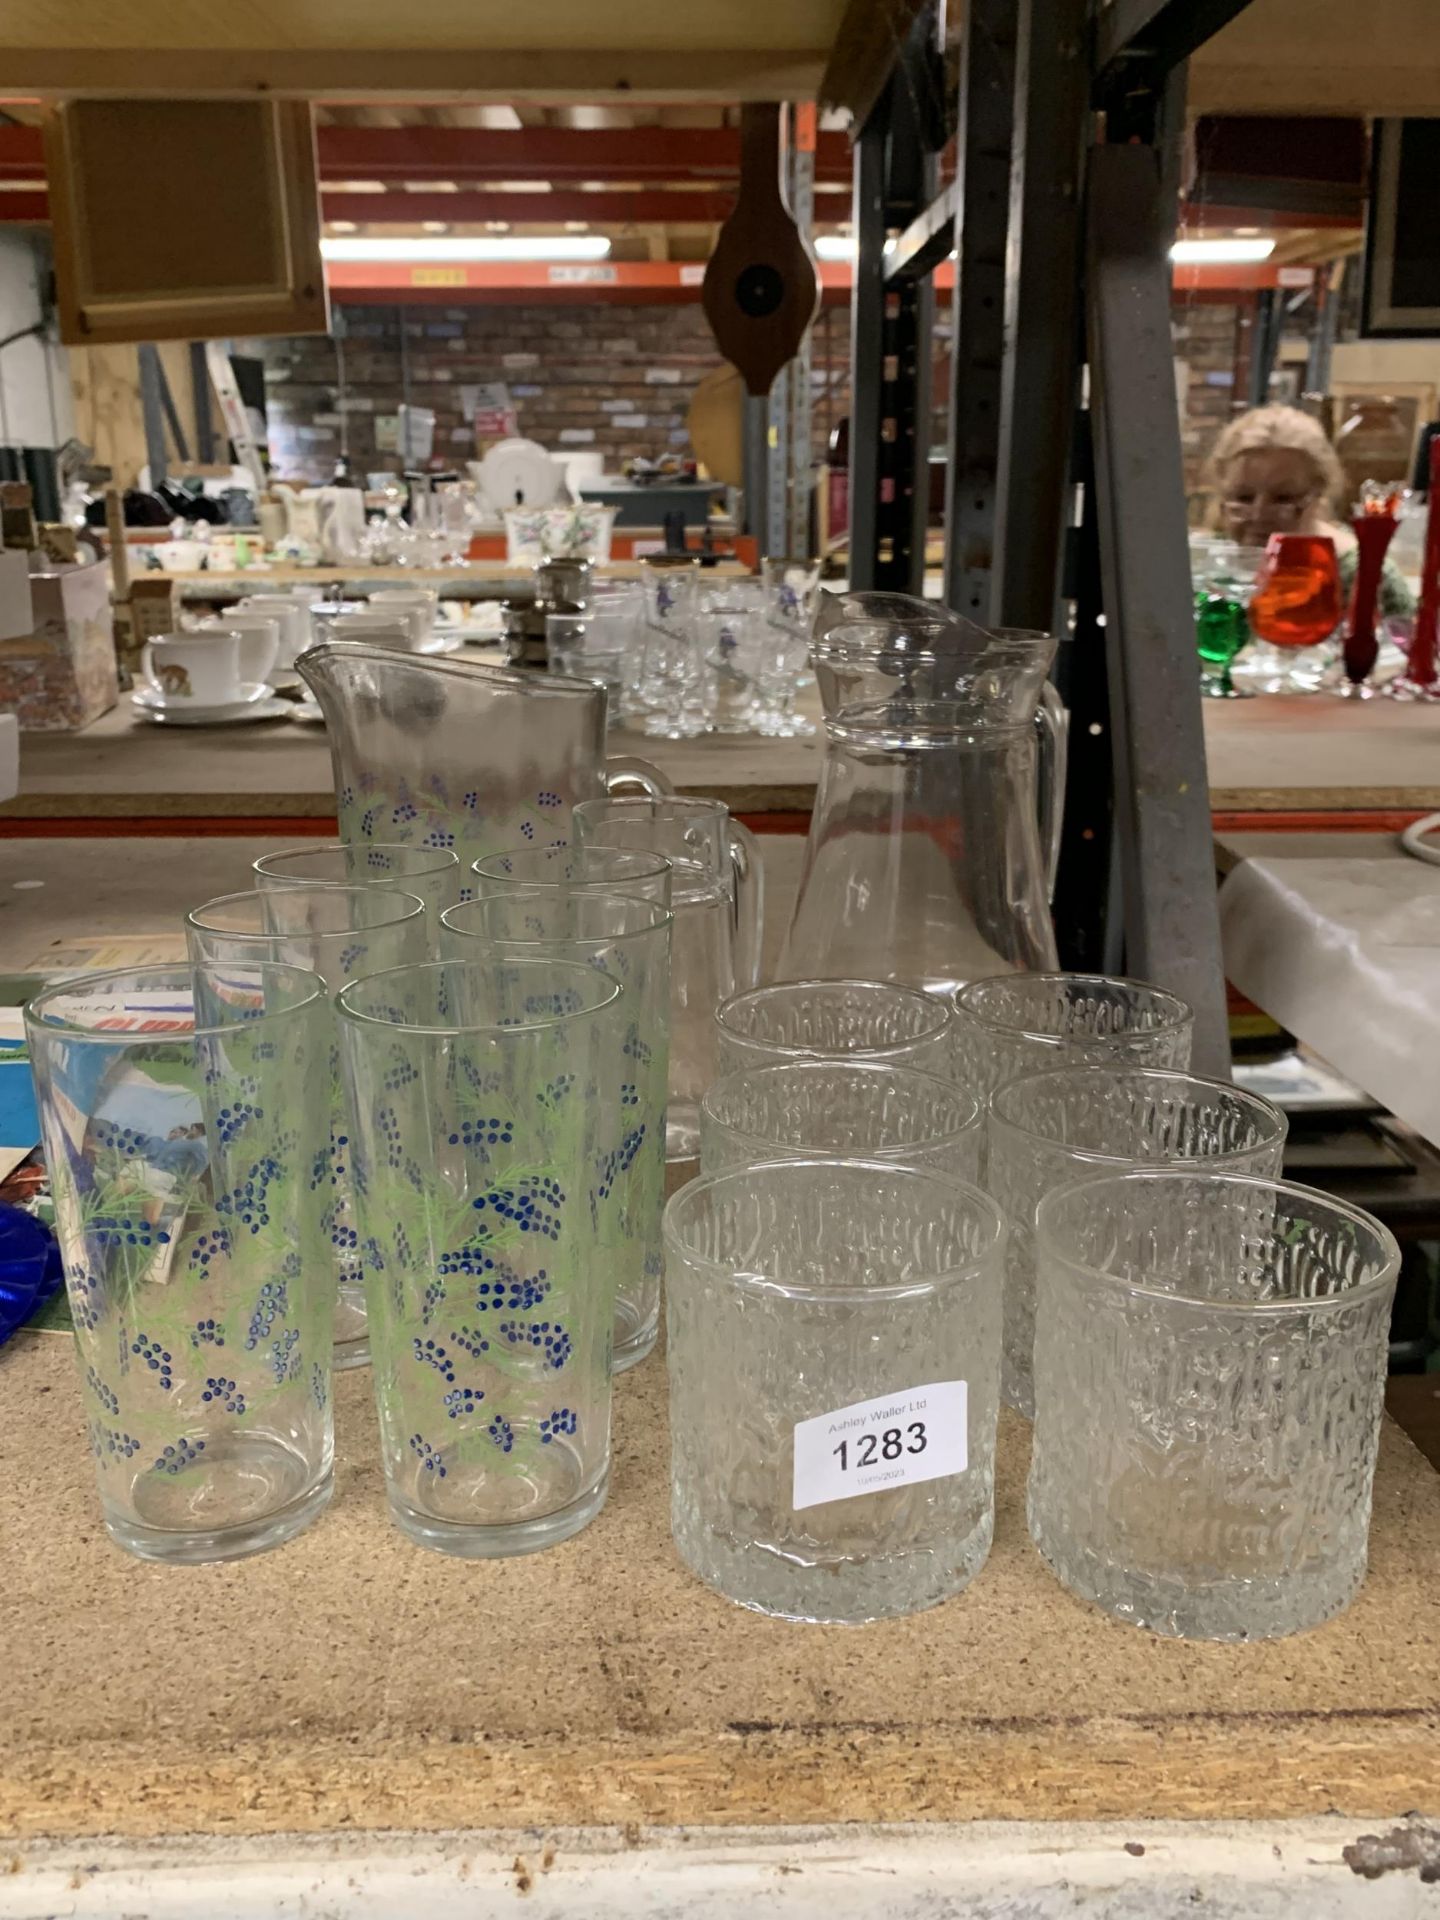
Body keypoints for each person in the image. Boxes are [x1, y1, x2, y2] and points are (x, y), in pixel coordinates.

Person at [1206, 404, 1415, 616]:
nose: (1258, 515)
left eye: (1283, 498)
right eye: (1243, 498)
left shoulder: (1365, 578)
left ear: (1318, 494)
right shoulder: (1206, 566)